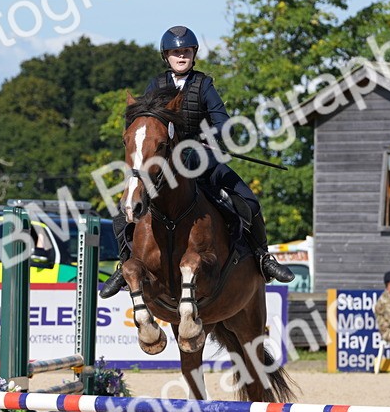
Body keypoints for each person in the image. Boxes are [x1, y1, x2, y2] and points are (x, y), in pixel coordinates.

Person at [100, 25, 295, 297]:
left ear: (194, 54)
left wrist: (205, 139)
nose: (181, 56)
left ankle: (263, 257)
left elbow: (224, 123)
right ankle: (124, 266)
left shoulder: (203, 84)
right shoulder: (156, 85)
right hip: (165, 163)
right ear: (166, 56)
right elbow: (140, 120)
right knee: (125, 211)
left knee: (247, 200)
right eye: (176, 52)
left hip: (201, 157)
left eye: (186, 52)